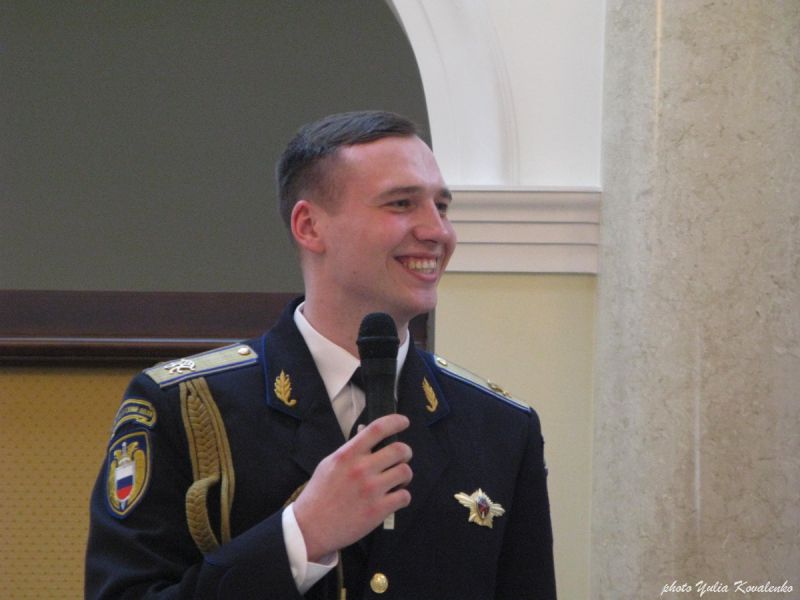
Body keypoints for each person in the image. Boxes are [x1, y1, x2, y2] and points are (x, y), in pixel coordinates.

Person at [85, 110, 556, 599]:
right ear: (309, 226)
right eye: (401, 203)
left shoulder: (500, 427)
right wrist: (302, 535)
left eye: (441, 207)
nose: (438, 231)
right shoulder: (186, 406)